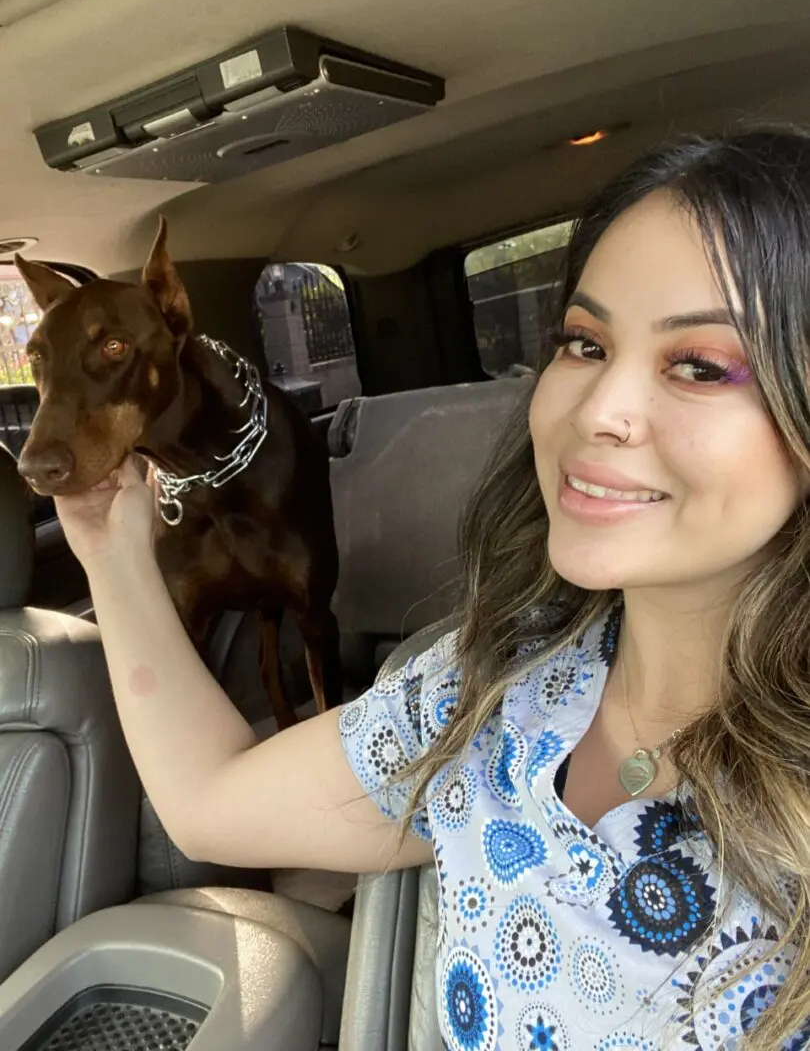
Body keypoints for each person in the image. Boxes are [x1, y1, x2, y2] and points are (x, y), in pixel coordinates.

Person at [52, 126, 810, 1050]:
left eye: (699, 366)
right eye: (583, 342)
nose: (598, 411)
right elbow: (212, 796)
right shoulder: (500, 672)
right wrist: (109, 547)